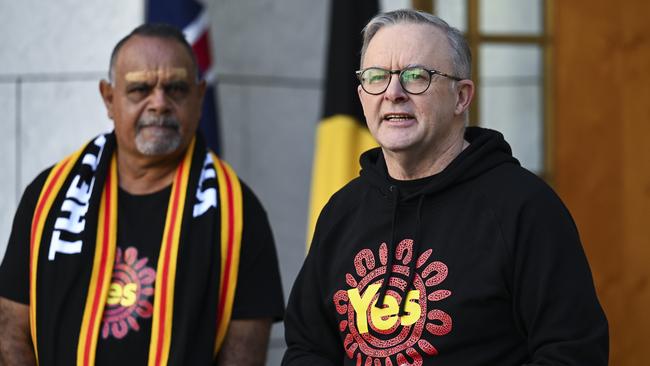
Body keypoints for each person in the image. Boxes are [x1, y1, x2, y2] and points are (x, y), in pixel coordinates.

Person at [282, 9, 608, 366]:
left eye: (416, 76)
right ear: (362, 95)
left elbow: (573, 353)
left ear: (461, 97)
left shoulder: (525, 208)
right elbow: (307, 348)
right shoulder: (342, 211)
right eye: (376, 77)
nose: (393, 93)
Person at [0, 23, 284, 366]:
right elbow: (10, 333)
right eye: (140, 89)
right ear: (109, 98)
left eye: (176, 88)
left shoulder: (239, 214)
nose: (159, 104)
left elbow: (243, 357)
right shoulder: (48, 197)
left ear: (199, 97)